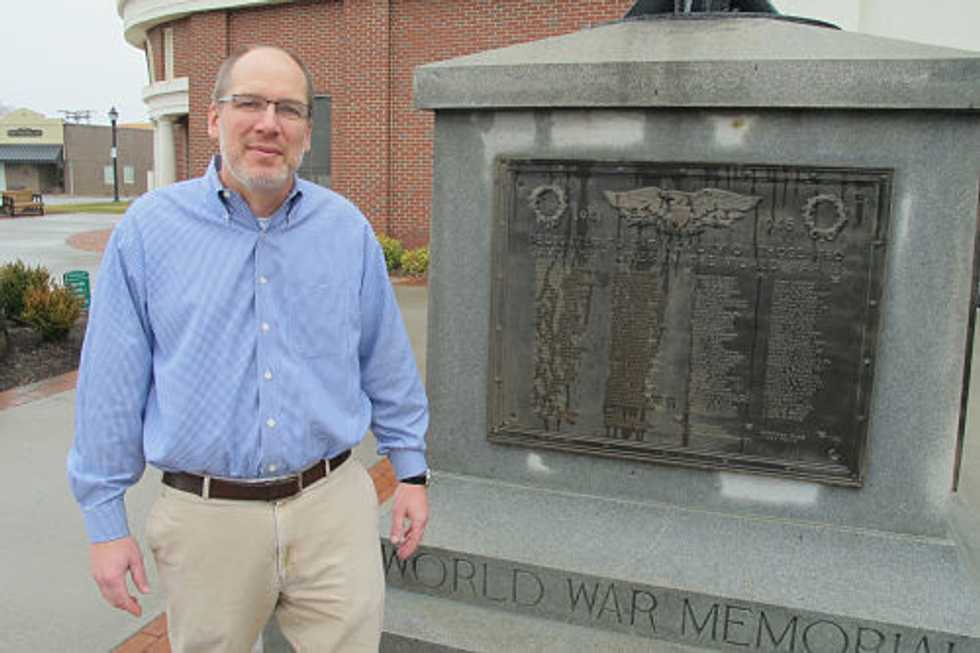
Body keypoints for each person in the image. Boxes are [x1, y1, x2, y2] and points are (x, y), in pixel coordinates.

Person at [68, 45, 430, 652]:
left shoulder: (346, 231)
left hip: (331, 507)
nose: (269, 123)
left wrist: (411, 469)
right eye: (250, 103)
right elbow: (109, 388)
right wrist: (106, 524)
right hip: (208, 521)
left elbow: (385, 360)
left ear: (307, 134)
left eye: (288, 109)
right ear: (213, 119)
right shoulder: (148, 233)